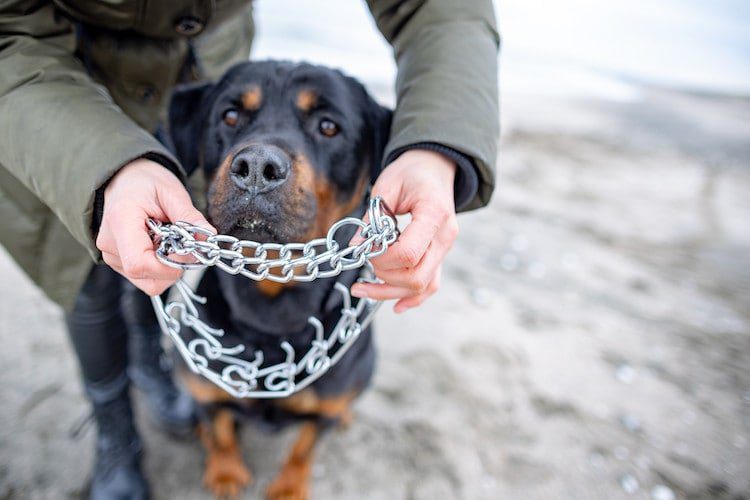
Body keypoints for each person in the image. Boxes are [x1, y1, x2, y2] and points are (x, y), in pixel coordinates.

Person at [0, 1, 499, 498]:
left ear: (374, 165)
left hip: (201, 50)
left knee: (324, 407)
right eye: (234, 118)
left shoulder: (345, 353)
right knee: (96, 272)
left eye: (327, 127)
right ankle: (134, 424)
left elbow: (441, 9)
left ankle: (277, 460)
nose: (258, 158)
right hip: (66, 81)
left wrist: (435, 149)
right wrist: (109, 167)